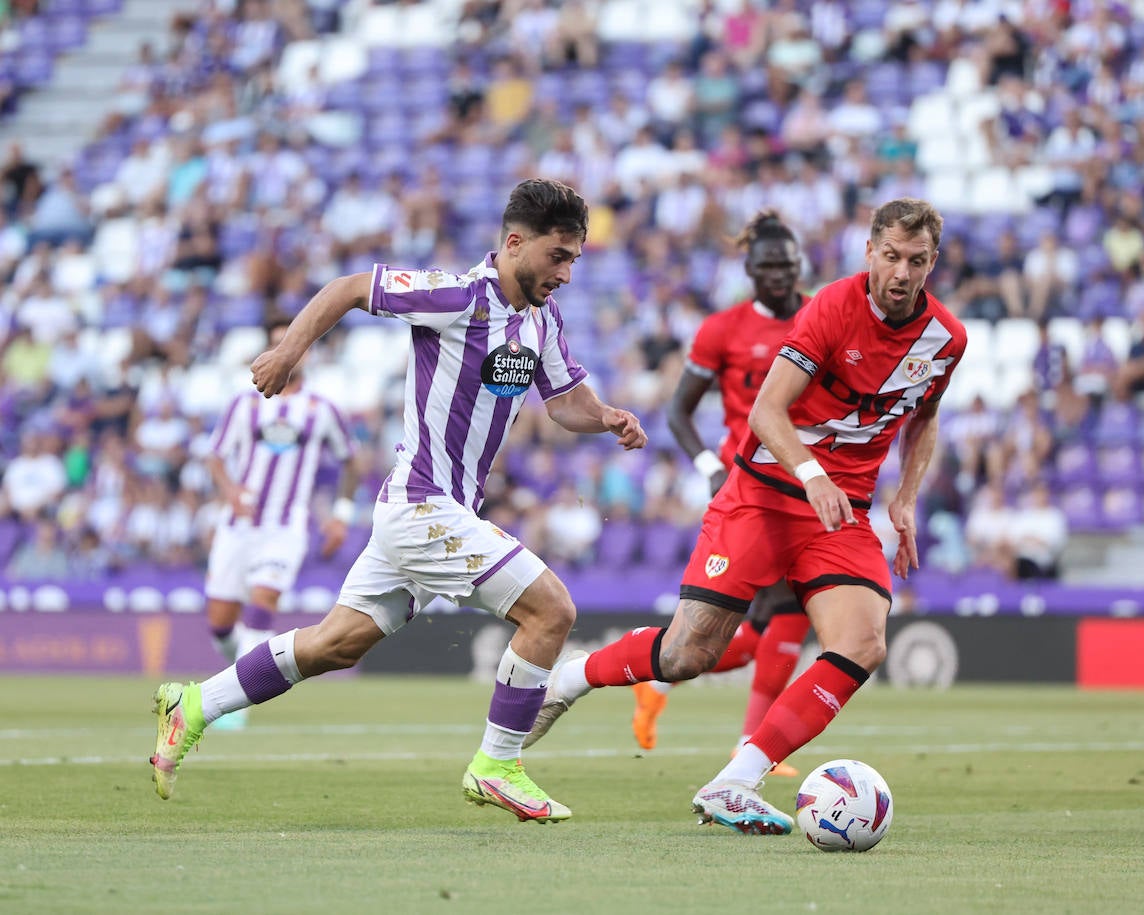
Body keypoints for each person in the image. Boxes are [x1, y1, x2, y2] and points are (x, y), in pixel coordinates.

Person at [149, 179, 647, 824]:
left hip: (433, 515)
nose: (567, 273)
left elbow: (564, 404)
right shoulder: (459, 296)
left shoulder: (540, 320)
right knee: (552, 612)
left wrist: (607, 417)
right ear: (515, 242)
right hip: (422, 506)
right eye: (558, 255)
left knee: (334, 645)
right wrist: (287, 352)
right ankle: (498, 763)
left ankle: (193, 705)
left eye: (575, 259)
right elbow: (352, 288)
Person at [524, 198, 966, 836]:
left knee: (863, 643)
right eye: (891, 256)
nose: (901, 272)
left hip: (839, 511)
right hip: (763, 492)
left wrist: (907, 499)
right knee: (686, 655)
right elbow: (766, 413)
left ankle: (735, 781)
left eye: (916, 261)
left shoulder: (946, 339)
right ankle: (569, 679)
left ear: (932, 262)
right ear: (869, 251)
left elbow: (924, 417)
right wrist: (811, 474)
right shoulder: (831, 308)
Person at [631, 211, 812, 776]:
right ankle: (749, 743)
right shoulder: (722, 330)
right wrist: (710, 465)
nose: (779, 275)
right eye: (768, 266)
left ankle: (661, 679)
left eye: (787, 264)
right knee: (785, 611)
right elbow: (678, 410)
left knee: (762, 629)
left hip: (809, 479)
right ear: (748, 269)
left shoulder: (824, 316)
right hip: (753, 486)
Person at [201, 318, 363, 729]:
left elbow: (351, 461)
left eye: (295, 344)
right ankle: (236, 672)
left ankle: (233, 708)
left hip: (286, 527)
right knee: (220, 622)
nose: (289, 351)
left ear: (305, 351)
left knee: (262, 603)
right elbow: (215, 456)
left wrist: (340, 517)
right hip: (239, 526)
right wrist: (231, 491)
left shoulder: (321, 409)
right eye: (278, 344)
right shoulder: (245, 403)